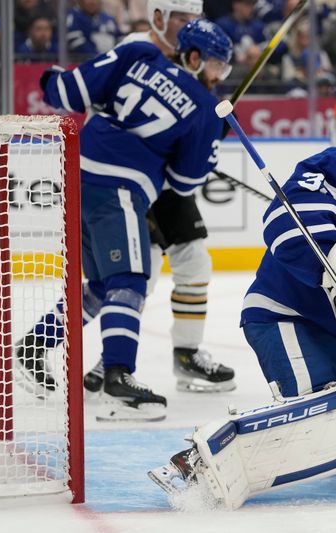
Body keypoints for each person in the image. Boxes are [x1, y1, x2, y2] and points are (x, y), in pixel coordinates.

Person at [149, 92, 336, 506]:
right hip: (288, 314)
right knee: (323, 411)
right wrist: (332, 273)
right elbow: (285, 228)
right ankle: (194, 463)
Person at [15, 19, 233, 421]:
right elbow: (184, 183)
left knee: (101, 285)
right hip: (119, 189)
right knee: (131, 279)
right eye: (218, 65)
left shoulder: (139, 53)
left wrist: (51, 77)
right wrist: (207, 147)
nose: (220, 75)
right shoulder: (204, 107)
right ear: (196, 57)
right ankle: (118, 380)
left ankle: (34, 344)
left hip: (76, 176)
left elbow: (64, 91)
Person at [82, 0, 237, 395]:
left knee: (194, 262)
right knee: (135, 273)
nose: (188, 26)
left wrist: (209, 129)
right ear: (159, 17)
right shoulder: (139, 48)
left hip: (167, 187)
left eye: (192, 19)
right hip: (132, 180)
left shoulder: (195, 53)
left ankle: (185, 355)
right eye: (182, 18)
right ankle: (109, 359)